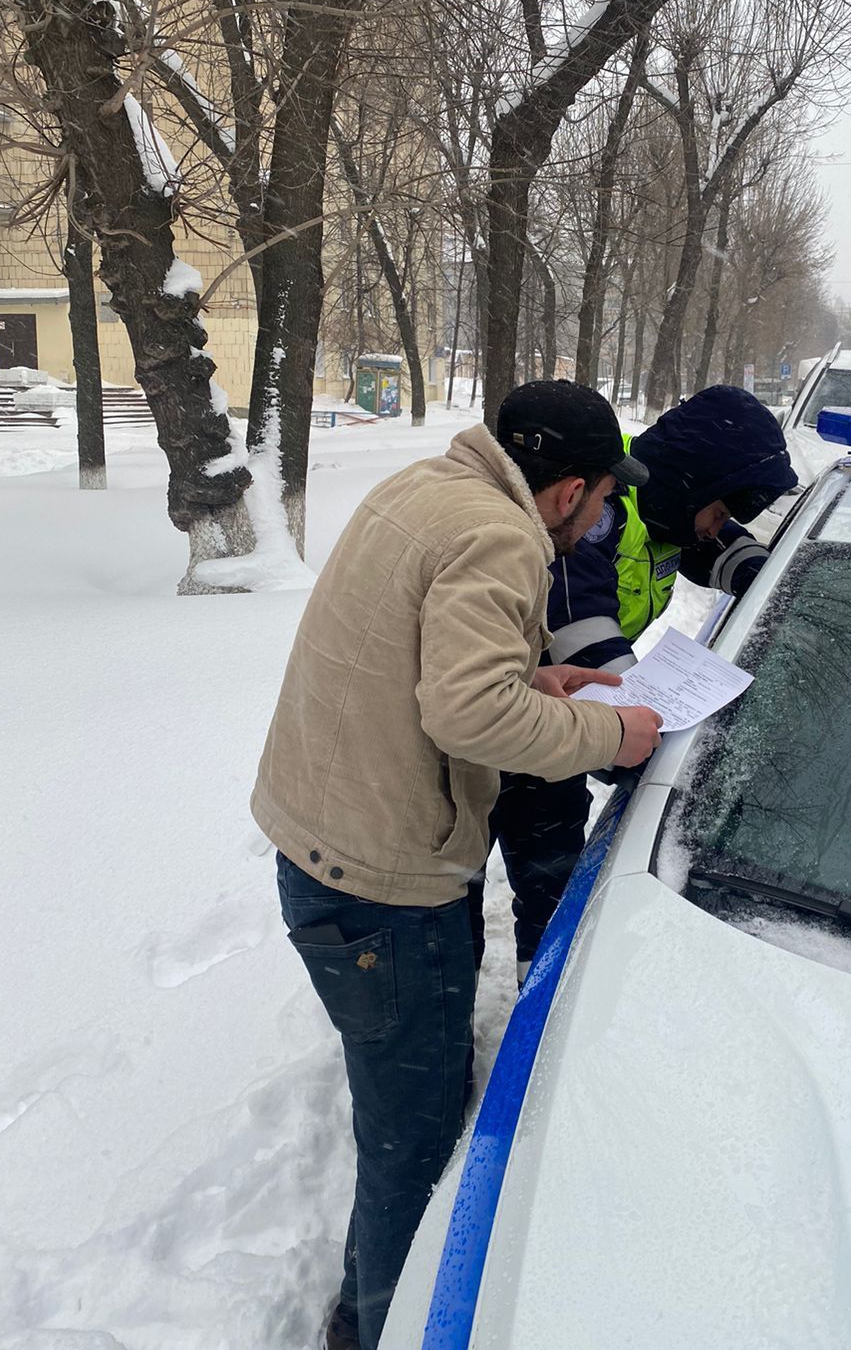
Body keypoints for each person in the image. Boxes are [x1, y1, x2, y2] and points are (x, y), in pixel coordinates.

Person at [250, 379, 663, 1350]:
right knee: (417, 1138)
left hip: (330, 848)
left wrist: (539, 679)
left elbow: (433, 664)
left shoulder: (428, 490)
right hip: (384, 887)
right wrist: (610, 733)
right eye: (605, 497)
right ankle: (383, 1326)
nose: (604, 516)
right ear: (568, 491)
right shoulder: (503, 536)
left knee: (401, 1115)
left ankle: (365, 1306)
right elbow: (465, 714)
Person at [469, 384, 798, 981]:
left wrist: (777, 581)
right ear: (693, 484)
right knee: (458, 885)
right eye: (719, 510)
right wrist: (649, 737)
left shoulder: (670, 507)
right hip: (495, 717)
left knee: (550, 877)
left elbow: (715, 545)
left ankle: (536, 985)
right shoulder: (594, 510)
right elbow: (587, 647)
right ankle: (454, 1008)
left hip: (553, 722)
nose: (716, 528)